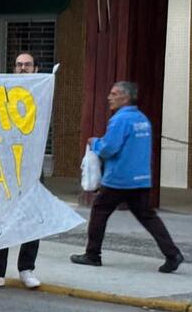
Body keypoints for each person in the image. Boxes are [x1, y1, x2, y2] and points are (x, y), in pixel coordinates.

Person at [70, 81, 184, 273]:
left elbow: (109, 148)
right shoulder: (142, 119)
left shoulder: (119, 120)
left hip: (119, 179)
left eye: (114, 94)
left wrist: (95, 143)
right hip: (141, 179)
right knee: (148, 217)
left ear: (125, 97)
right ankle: (172, 254)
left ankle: (92, 254)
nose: (109, 98)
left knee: (99, 211)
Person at [0, 52, 42, 289]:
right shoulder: (3, 92)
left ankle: (26, 269)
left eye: (27, 65)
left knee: (32, 221)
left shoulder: (41, 92)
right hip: (6, 167)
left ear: (36, 69)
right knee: (2, 219)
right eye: (19, 65)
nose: (23, 68)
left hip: (32, 166)